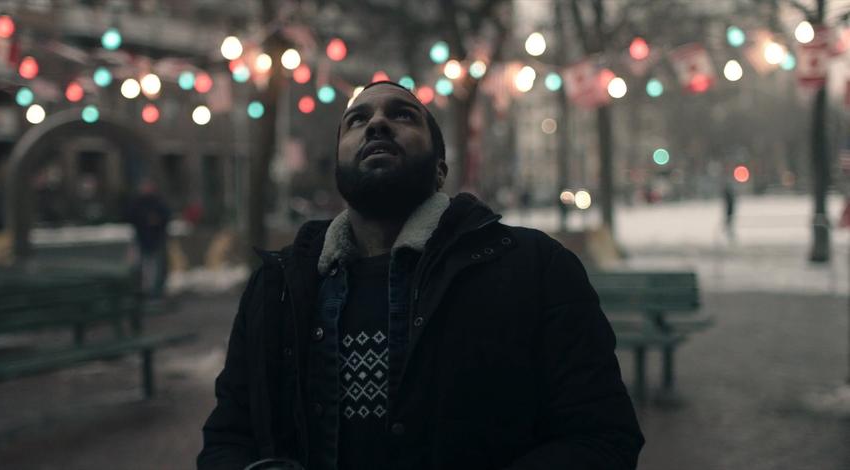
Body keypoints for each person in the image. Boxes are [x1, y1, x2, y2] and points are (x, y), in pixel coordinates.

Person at [198, 81, 643, 470]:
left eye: (402, 115)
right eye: (357, 120)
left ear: (441, 169)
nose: (376, 124)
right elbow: (229, 438)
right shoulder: (277, 288)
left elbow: (601, 436)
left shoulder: (534, 268)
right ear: (338, 169)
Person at [127, 179, 171, 298]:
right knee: (142, 266)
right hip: (142, 238)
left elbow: (166, 217)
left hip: (155, 239)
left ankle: (155, 291)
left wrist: (157, 220)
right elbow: (130, 217)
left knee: (156, 266)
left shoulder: (158, 202)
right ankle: (143, 291)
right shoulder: (138, 203)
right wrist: (144, 220)